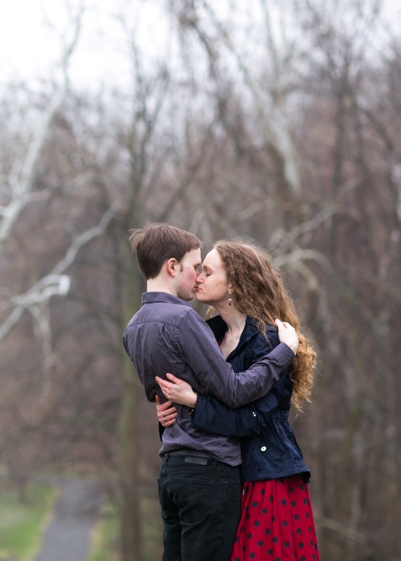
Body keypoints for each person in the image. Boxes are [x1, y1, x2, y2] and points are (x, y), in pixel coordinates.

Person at [122, 224, 299, 561]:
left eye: (205, 269)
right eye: (195, 267)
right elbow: (233, 390)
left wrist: (176, 407)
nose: (197, 276)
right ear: (172, 267)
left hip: (171, 470)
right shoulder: (185, 321)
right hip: (210, 471)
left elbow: (160, 395)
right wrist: (285, 352)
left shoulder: (132, 329)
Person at [155, 239, 320, 561]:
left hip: (264, 478)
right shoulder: (206, 336)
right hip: (218, 475)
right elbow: (190, 406)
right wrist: (168, 416)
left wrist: (194, 403)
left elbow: (255, 421)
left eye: (207, 271)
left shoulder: (271, 341)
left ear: (234, 283)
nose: (197, 277)